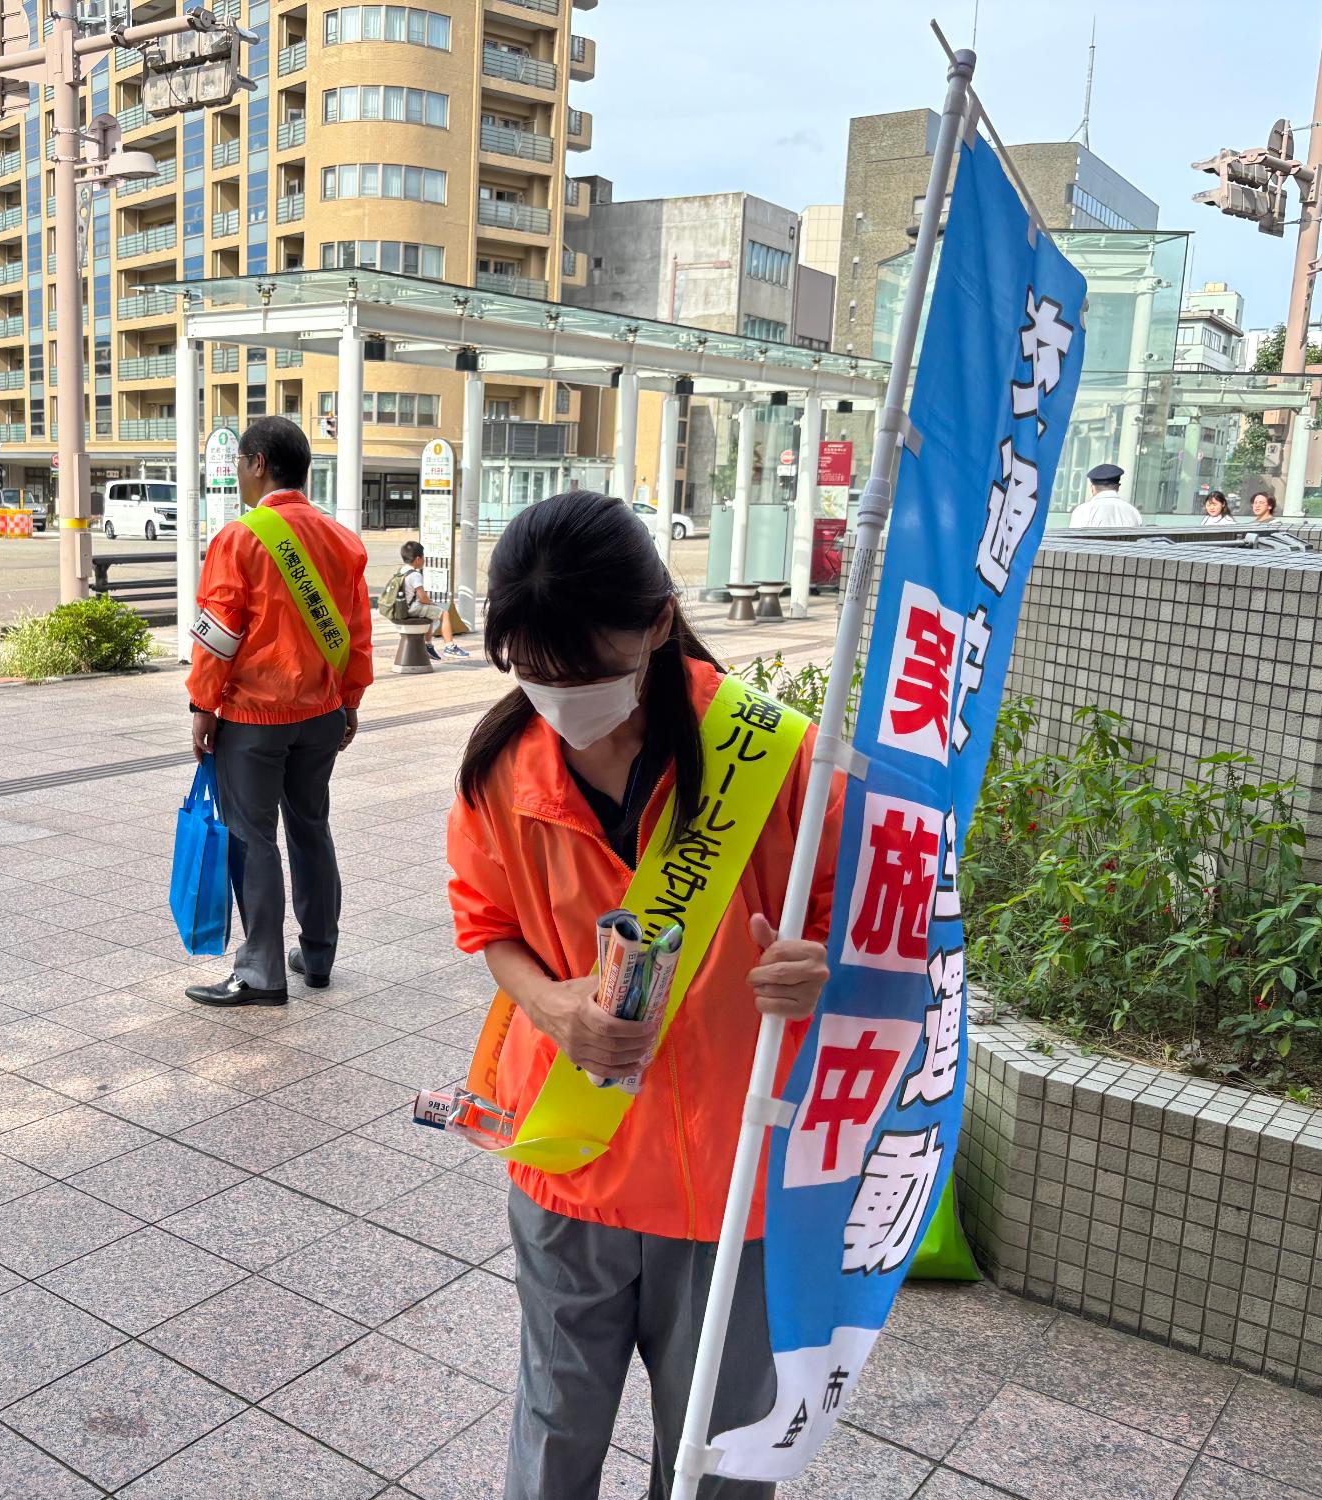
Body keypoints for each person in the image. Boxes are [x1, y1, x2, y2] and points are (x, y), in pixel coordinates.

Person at [445, 490, 842, 1500]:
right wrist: (550, 1007)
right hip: (569, 1155)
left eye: (581, 672)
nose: (559, 701)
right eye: (531, 674)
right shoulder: (500, 767)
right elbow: (489, 926)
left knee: (715, 1448)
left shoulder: (779, 756)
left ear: (658, 621)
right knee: (554, 1422)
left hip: (729, 1172)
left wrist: (818, 965)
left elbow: (864, 921)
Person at [184, 415, 374, 1007]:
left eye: (241, 463)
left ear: (259, 462)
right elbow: (357, 633)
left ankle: (263, 971)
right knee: (311, 826)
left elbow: (217, 634)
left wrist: (202, 703)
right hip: (320, 713)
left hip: (254, 719)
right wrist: (350, 700)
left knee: (253, 836)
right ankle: (317, 954)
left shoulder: (239, 539)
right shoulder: (342, 540)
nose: (239, 475)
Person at [396, 541, 469, 662]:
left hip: (402, 607)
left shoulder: (402, 570)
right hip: (412, 609)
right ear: (418, 558)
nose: (424, 560)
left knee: (430, 613)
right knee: (444, 614)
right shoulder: (415, 575)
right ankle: (450, 646)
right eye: (423, 557)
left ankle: (428, 645)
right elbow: (422, 597)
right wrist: (432, 603)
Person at [1067, 463, 1141, 527]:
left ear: (1093, 488)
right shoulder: (1133, 512)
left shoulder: (1082, 511)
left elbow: (1074, 541)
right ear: (1118, 487)